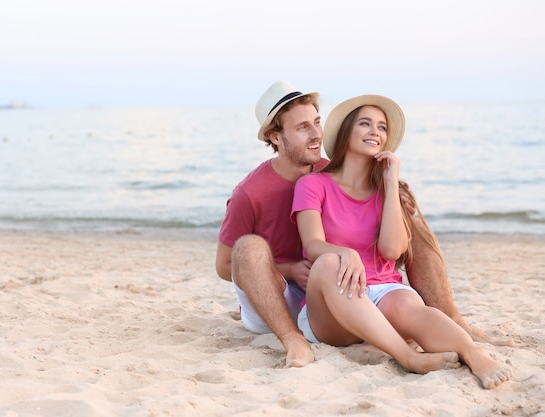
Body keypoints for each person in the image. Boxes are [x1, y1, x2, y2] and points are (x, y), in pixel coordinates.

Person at [215, 80, 505, 369]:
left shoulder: (327, 170)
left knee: (411, 222)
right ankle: (292, 339)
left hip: (331, 287)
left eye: (317, 122)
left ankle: (451, 319)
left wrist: (394, 192)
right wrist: (289, 268)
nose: (317, 134)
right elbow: (226, 265)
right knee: (250, 247)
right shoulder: (249, 193)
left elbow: (376, 223)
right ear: (275, 137)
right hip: (275, 293)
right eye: (303, 127)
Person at [291, 94, 512, 388]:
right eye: (365, 124)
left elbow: (393, 250)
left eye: (382, 127)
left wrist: (391, 183)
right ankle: (408, 357)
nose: (375, 132)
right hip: (334, 308)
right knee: (329, 262)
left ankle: (475, 353)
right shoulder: (313, 184)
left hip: (384, 297)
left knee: (412, 307)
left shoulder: (387, 191)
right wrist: (346, 253)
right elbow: (312, 245)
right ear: (346, 132)